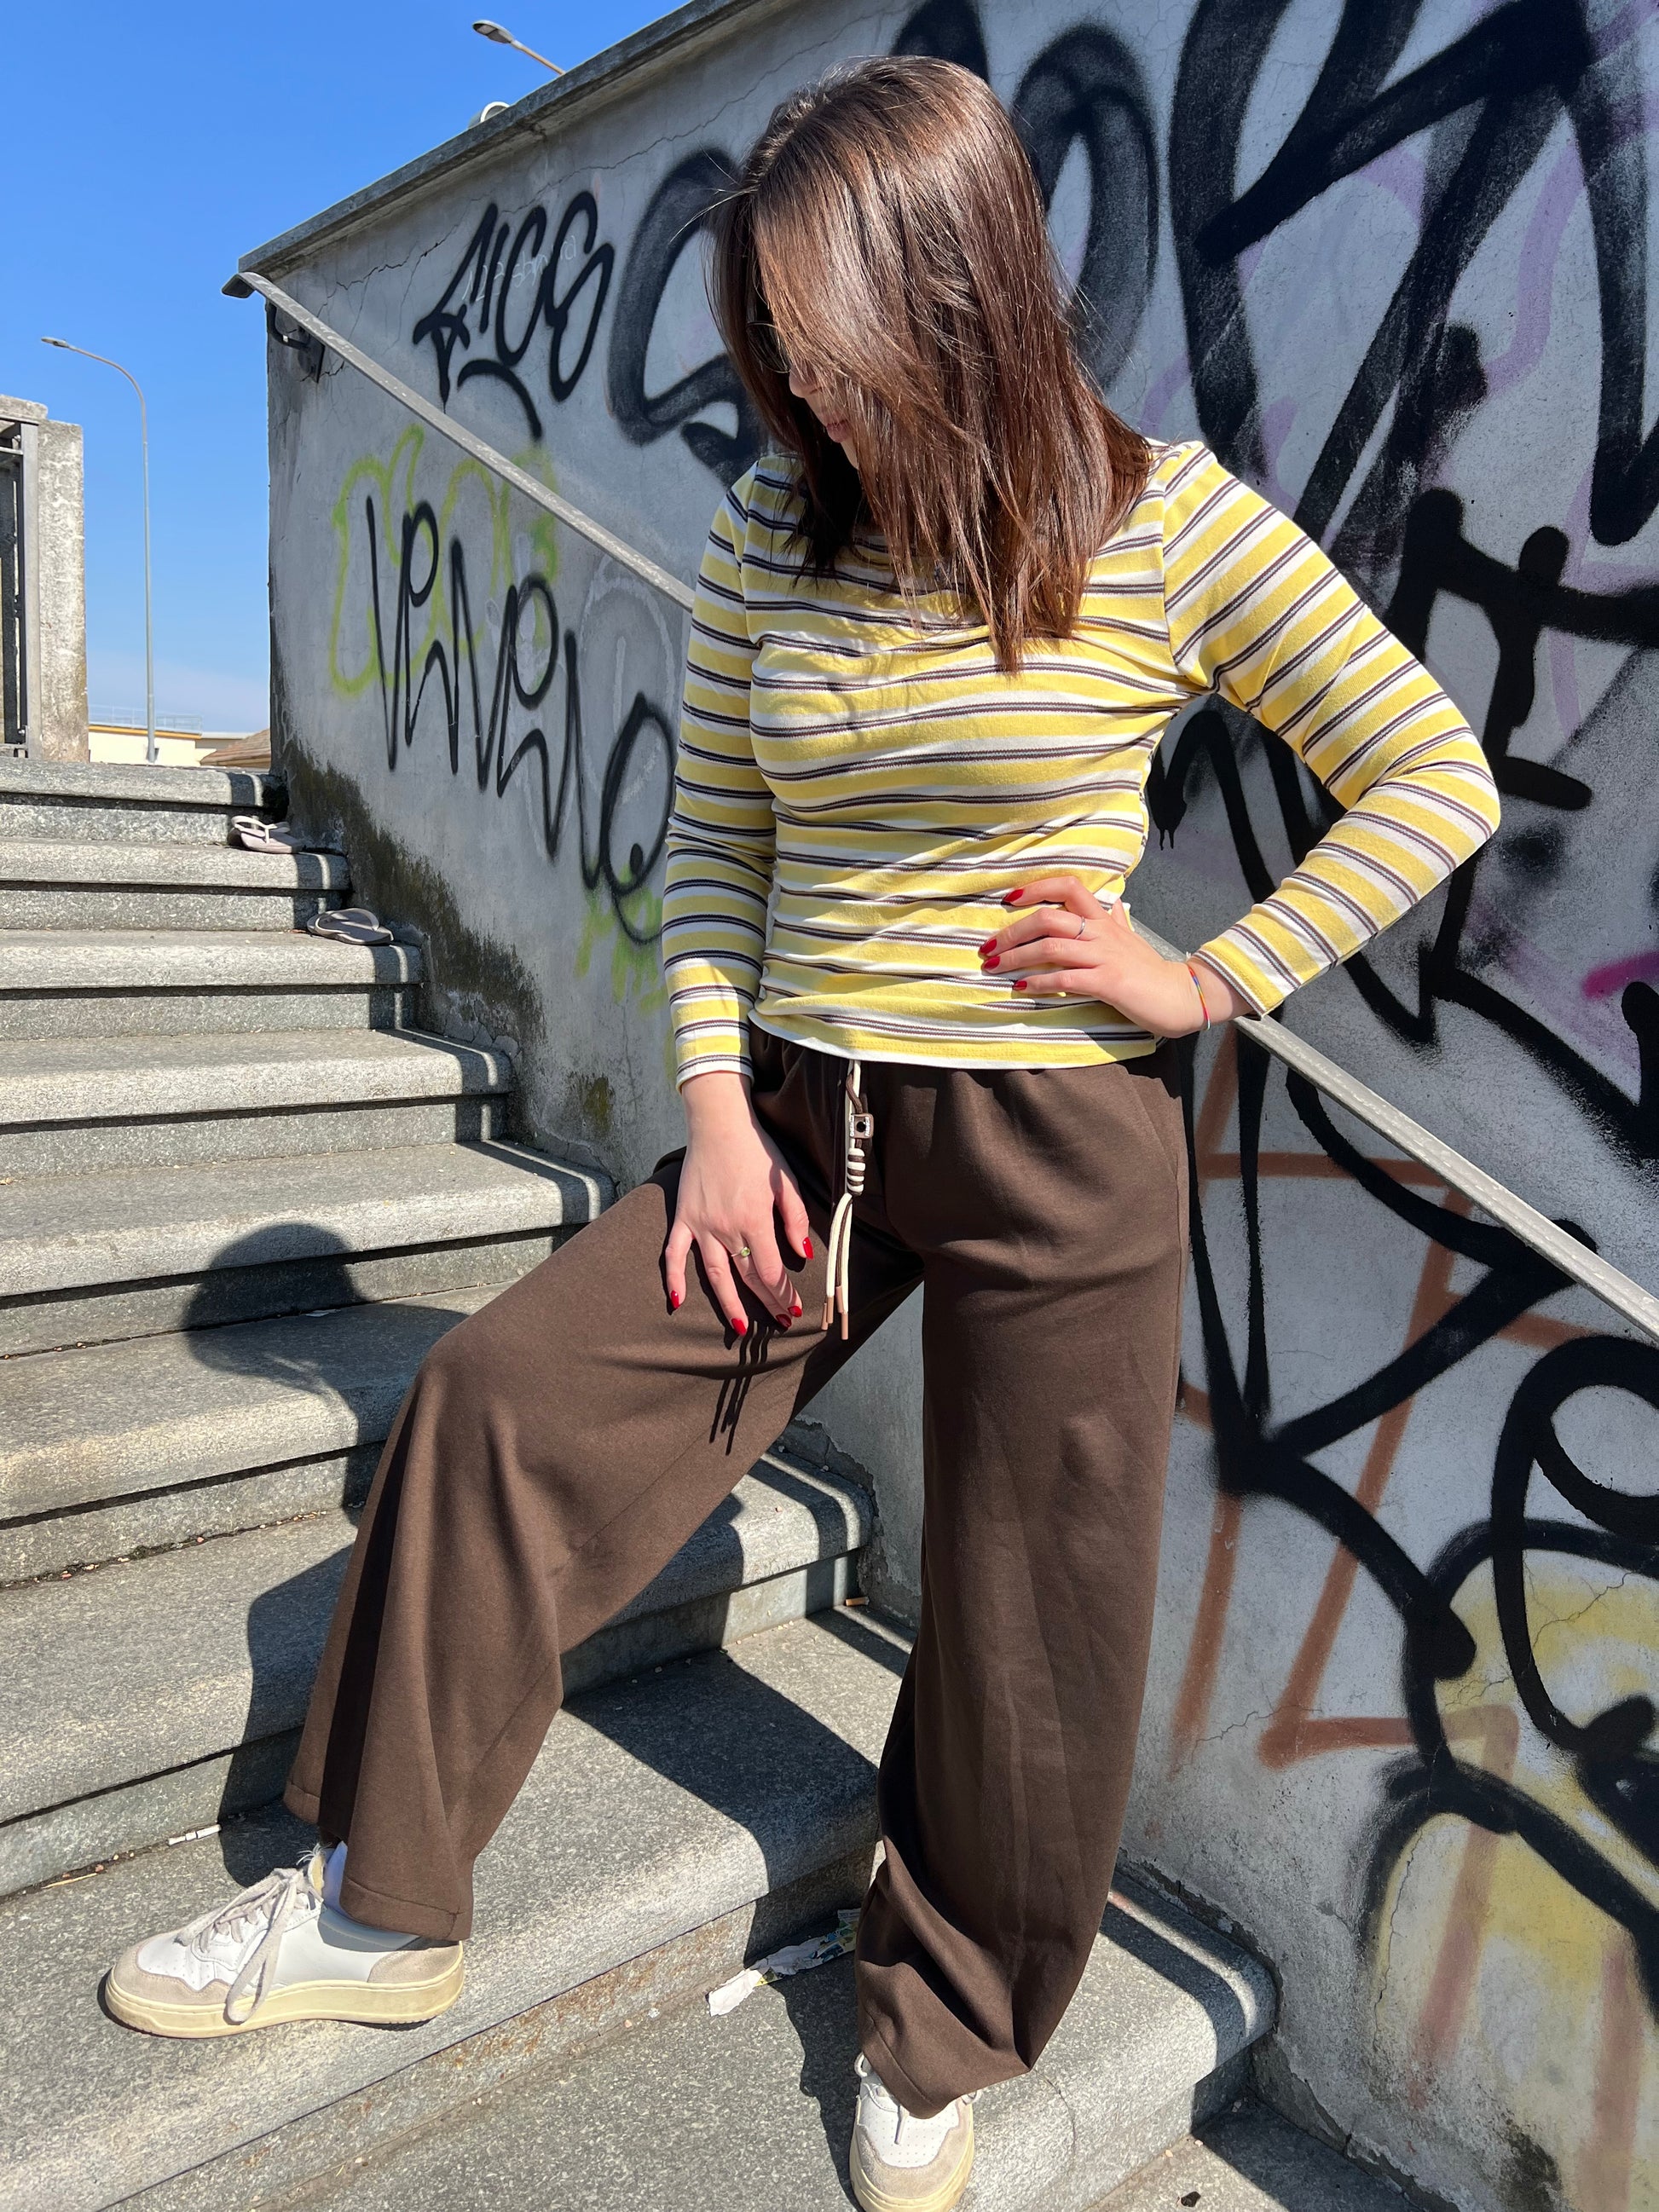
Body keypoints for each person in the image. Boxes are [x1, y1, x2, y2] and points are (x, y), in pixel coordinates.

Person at [103, 55, 1500, 2212]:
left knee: (1030, 1616)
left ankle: (938, 2026)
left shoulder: (1171, 524)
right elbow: (715, 854)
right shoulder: (774, 525)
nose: (803, 386)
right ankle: (382, 1904)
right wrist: (718, 1114)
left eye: (827, 334)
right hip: (803, 1123)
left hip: (1058, 1139)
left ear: (958, 291)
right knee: (497, 1402)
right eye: (768, 336)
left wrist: (1206, 974)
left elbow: (1430, 775)